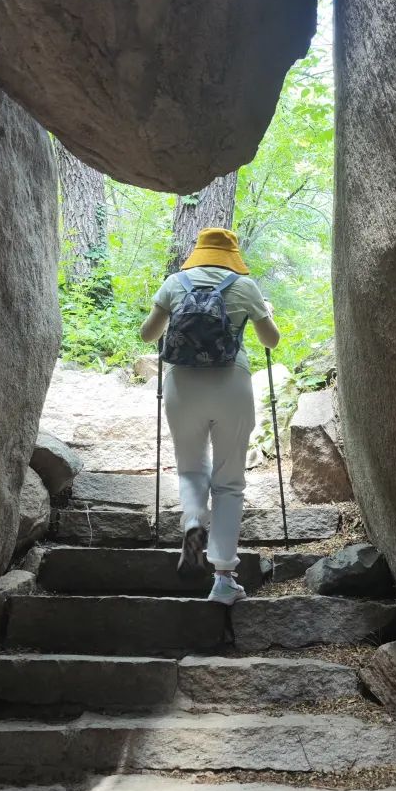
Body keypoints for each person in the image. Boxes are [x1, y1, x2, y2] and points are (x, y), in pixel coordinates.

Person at [139, 227, 280, 605]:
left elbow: (147, 335)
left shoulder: (175, 282)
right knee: (229, 482)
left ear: (198, 253)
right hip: (231, 385)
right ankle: (222, 577)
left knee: (190, 469)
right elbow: (271, 341)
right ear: (232, 255)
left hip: (181, 387)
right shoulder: (246, 286)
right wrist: (262, 310)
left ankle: (193, 524)